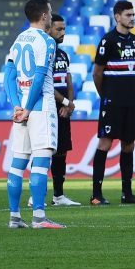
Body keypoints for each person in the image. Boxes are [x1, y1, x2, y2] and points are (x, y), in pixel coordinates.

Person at [4, 0, 64, 229]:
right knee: (40, 161)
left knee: (18, 162)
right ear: (43, 16)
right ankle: (39, 217)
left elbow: (9, 75)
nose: (50, 15)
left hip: (20, 109)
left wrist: (16, 106)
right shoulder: (47, 41)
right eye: (49, 12)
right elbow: (39, 77)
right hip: (40, 107)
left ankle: (15, 217)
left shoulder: (18, 40)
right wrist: (28, 107)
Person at [91, 0, 135, 205]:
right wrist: (105, 96)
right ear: (117, 17)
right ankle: (96, 194)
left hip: (131, 100)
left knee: (129, 144)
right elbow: (97, 73)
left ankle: (127, 193)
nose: (132, 18)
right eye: (128, 15)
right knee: (106, 142)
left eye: (133, 14)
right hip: (112, 100)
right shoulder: (108, 40)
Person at [49, 14, 81, 206]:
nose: (63, 33)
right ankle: (34, 195)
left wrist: (68, 104)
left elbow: (68, 80)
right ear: (49, 29)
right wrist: (66, 103)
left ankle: (58, 195)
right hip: (47, 108)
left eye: (64, 29)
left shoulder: (62, 54)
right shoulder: (45, 52)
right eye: (59, 29)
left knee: (61, 152)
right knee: (44, 152)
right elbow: (45, 84)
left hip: (63, 109)